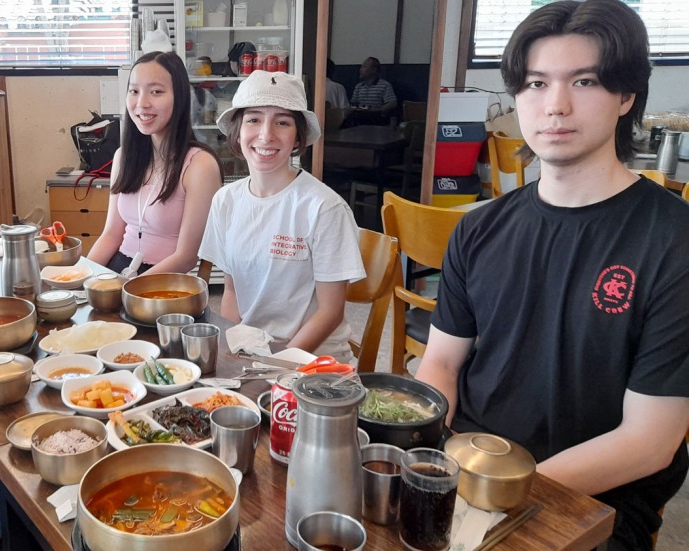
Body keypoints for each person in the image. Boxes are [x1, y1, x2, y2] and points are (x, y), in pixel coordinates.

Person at [416, 1, 689, 549]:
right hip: (467, 463)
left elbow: (648, 443)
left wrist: (494, 494)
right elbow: (442, 363)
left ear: (626, 95)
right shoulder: (480, 229)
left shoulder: (672, 240)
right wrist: (424, 452)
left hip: (595, 498)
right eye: (536, 83)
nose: (555, 106)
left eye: (584, 81)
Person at [199, 71, 366, 361]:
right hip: (253, 353)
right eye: (253, 119)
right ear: (237, 131)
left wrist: (278, 363)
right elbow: (231, 292)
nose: (266, 134)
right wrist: (233, 352)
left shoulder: (324, 207)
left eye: (282, 122)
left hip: (312, 362)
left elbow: (330, 312)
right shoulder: (226, 200)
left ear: (298, 137)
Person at [87, 51, 222, 275]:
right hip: (118, 269)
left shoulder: (200, 165)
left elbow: (186, 258)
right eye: (134, 91)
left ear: (179, 97)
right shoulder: (124, 157)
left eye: (156, 92)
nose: (142, 103)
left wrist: (128, 290)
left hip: (165, 282)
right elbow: (111, 235)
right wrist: (82, 278)